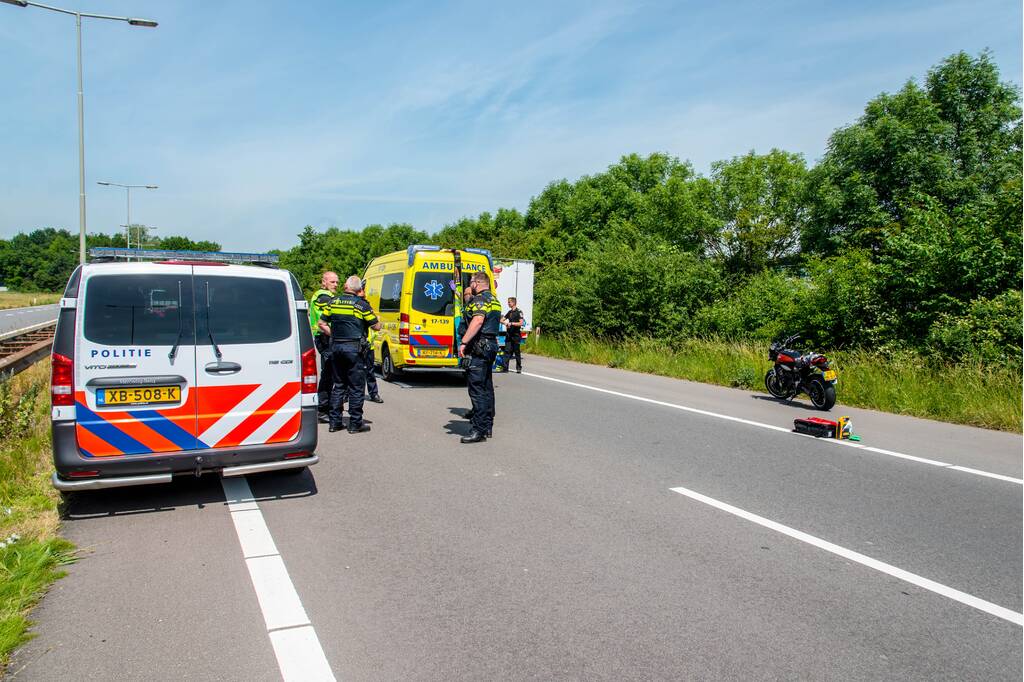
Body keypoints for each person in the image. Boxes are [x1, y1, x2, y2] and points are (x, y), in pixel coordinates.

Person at [318, 275, 381, 433]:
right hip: (354, 350)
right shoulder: (361, 305)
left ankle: (335, 423)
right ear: (359, 289)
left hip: (336, 348)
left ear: (346, 287)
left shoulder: (334, 302)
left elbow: (321, 323)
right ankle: (355, 423)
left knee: (338, 385)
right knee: (356, 387)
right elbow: (377, 327)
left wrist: (334, 335)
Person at [458, 271, 501, 443]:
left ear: (476, 283)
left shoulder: (480, 300)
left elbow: (477, 321)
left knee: (477, 390)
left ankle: (479, 430)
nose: (471, 286)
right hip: (489, 346)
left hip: (479, 347)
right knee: (486, 386)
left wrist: (464, 342)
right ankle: (488, 425)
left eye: (471, 283)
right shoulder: (494, 300)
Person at [308, 271, 339, 423]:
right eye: (332, 282)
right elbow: (324, 322)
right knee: (328, 375)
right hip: (325, 338)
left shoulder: (326, 296)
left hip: (326, 337)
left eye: (337, 282)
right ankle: (322, 409)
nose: (335, 285)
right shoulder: (323, 297)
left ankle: (326, 407)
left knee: (330, 374)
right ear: (324, 282)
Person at [357, 285, 383, 404]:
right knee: (356, 372)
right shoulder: (357, 306)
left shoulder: (367, 305)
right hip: (358, 345)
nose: (364, 292)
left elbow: (374, 324)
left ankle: (373, 393)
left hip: (369, 344)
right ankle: (353, 394)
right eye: (362, 290)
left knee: (370, 371)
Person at [500, 296, 524, 374]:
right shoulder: (509, 312)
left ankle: (518, 368)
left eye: (509, 302)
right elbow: (501, 320)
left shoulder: (519, 312)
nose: (508, 303)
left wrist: (511, 323)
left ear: (513, 303)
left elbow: (521, 323)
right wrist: (505, 323)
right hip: (509, 335)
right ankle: (505, 368)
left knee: (517, 352)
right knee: (507, 351)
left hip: (516, 335)